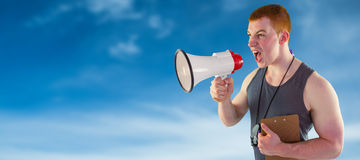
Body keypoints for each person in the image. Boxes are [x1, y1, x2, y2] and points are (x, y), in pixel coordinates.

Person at [210, 4, 344, 160]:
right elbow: (230, 119)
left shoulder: (316, 86)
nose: (250, 43)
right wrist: (224, 99)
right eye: (249, 34)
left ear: (283, 37)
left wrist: (281, 149)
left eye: (260, 35)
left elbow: (334, 146)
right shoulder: (251, 79)